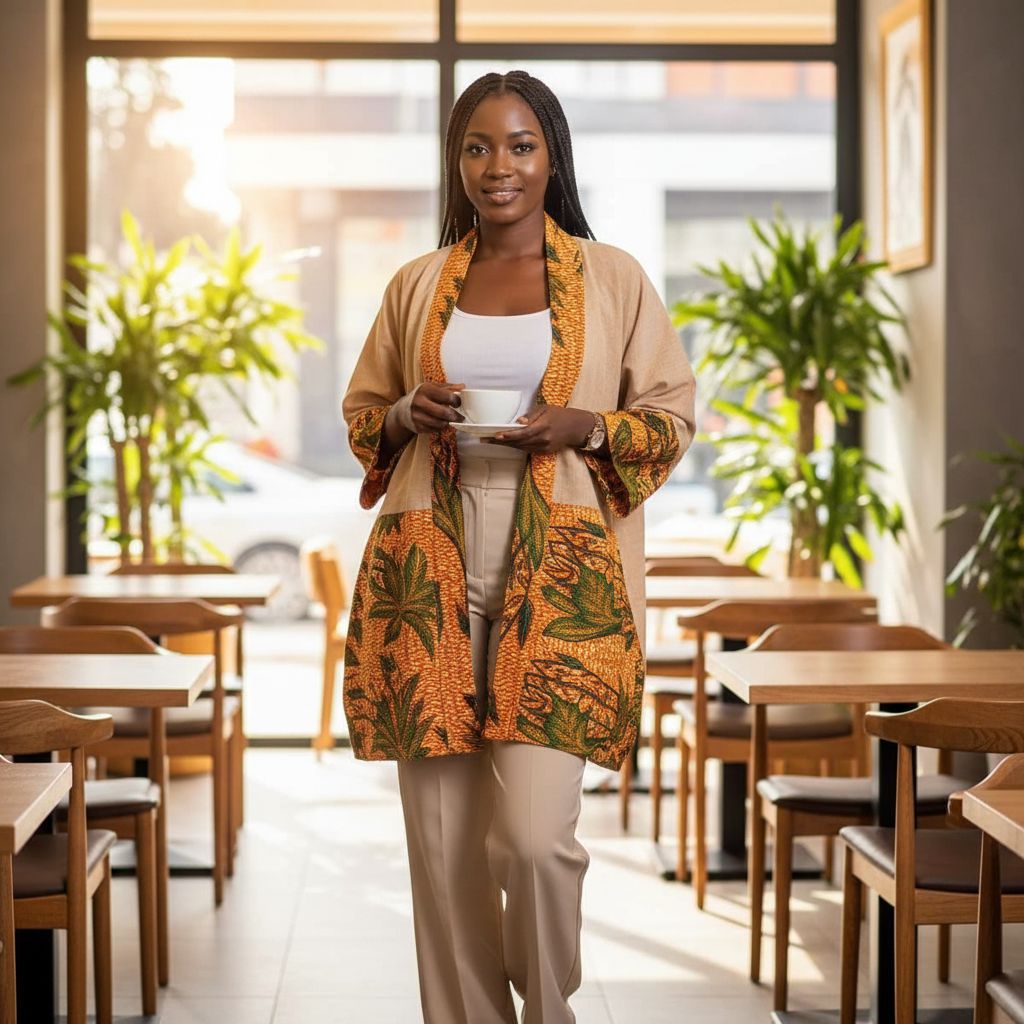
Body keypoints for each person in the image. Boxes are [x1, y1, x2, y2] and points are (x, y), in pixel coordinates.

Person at [341, 69, 696, 1024]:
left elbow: (667, 417)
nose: (500, 167)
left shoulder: (611, 275)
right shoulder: (418, 283)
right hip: (428, 566)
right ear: (458, 163)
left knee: (536, 840)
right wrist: (408, 412)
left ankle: (549, 1014)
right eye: (478, 148)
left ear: (552, 157)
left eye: (521, 145)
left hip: (568, 570)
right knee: (444, 845)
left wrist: (585, 426)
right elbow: (364, 411)